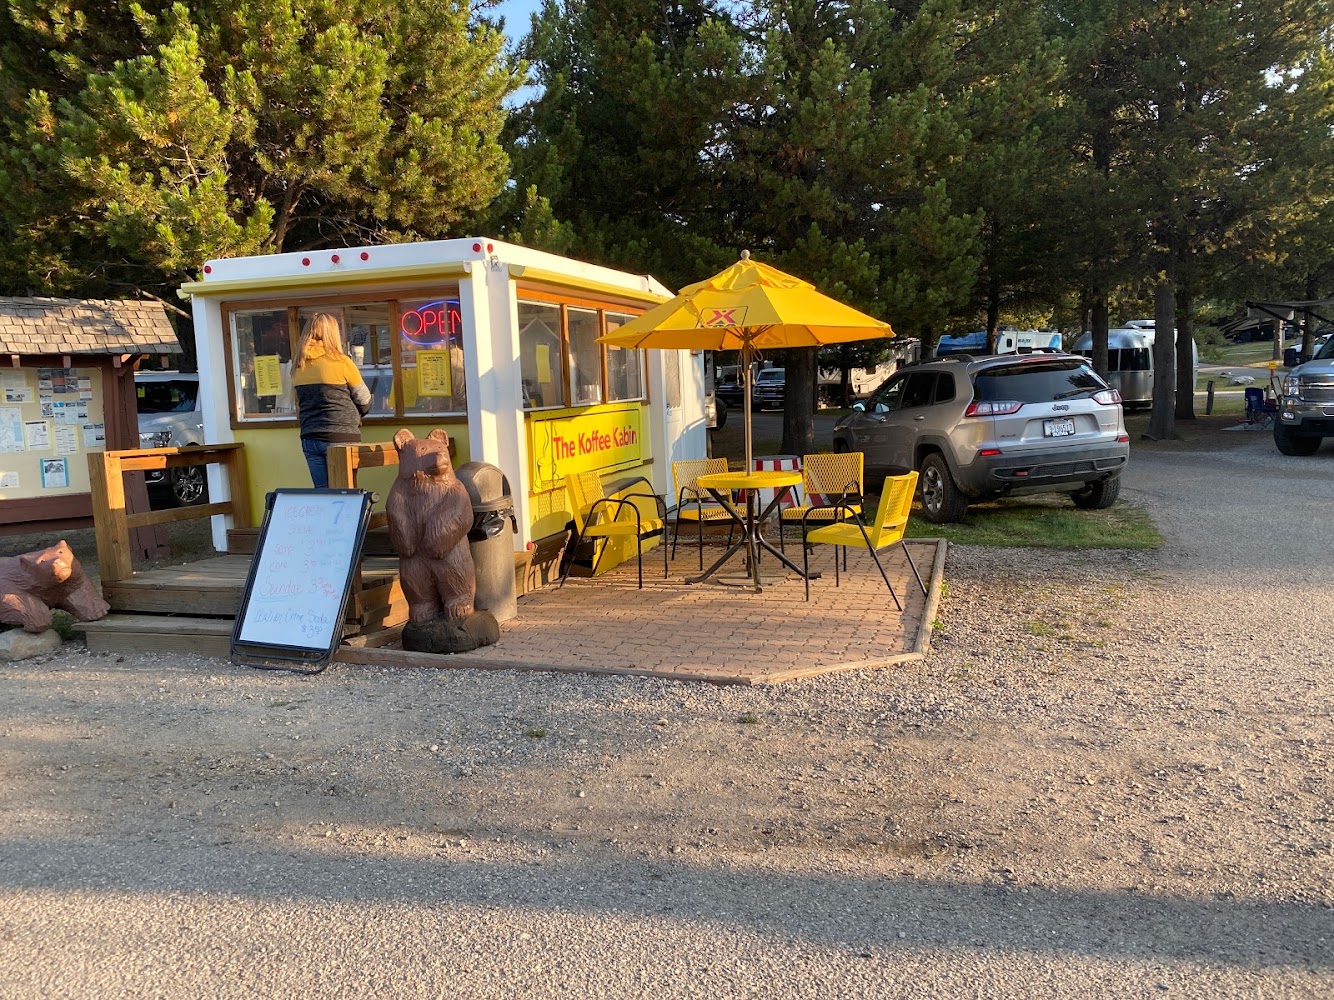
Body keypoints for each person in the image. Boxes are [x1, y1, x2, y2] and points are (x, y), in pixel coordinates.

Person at [291, 313, 371, 488]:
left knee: (324, 494)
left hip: (310, 436)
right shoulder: (342, 362)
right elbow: (364, 400)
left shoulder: (298, 366)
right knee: (346, 493)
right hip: (342, 437)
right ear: (332, 334)